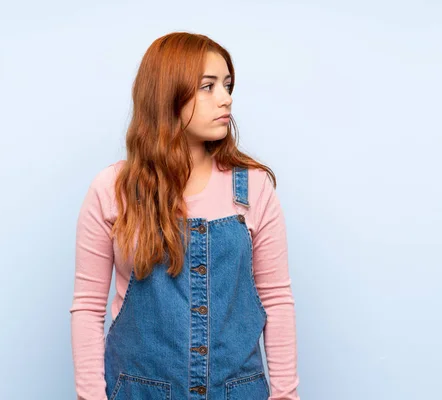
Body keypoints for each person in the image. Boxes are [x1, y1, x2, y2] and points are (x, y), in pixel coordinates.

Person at [69, 31, 300, 400]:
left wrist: (286, 395)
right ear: (167, 94)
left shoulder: (254, 189)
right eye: (208, 87)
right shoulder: (112, 190)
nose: (226, 99)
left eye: (227, 85)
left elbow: (276, 300)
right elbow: (87, 306)